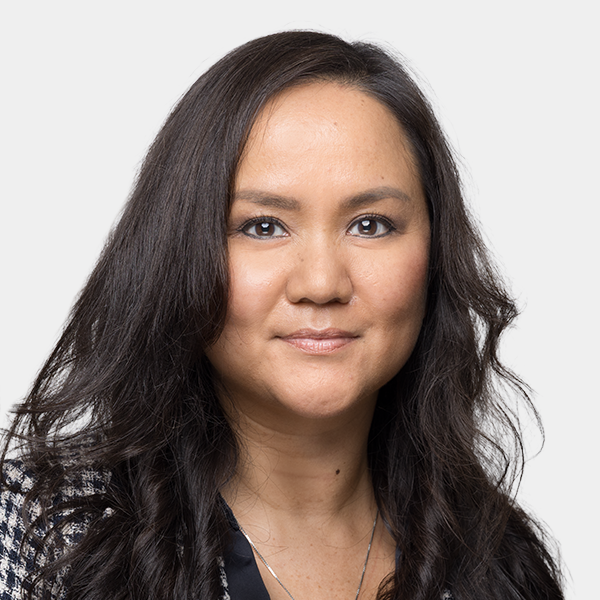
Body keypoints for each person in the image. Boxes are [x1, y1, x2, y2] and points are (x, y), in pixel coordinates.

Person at [0, 31, 563, 600]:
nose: (321, 284)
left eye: (370, 225)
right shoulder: (42, 533)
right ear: (181, 252)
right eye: (263, 226)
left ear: (436, 253)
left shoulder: (499, 567)